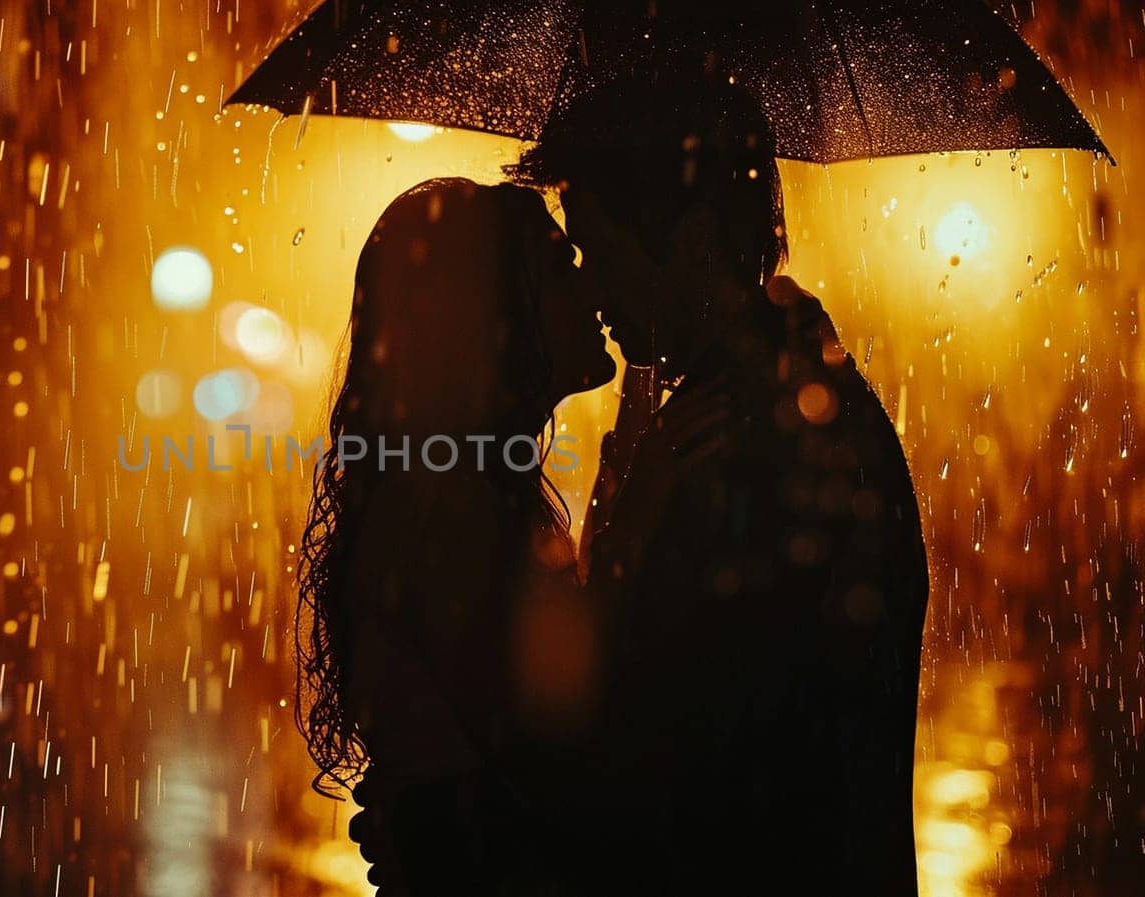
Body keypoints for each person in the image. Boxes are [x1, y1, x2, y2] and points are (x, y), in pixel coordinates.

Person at [510, 79, 931, 895]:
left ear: (692, 235)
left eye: (597, 247)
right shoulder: (788, 387)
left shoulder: (747, 438)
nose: (591, 288)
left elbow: (646, 744)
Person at [293, 177, 623, 895]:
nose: (591, 284)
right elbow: (551, 765)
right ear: (497, 313)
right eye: (562, 263)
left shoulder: (461, 489)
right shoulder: (452, 510)